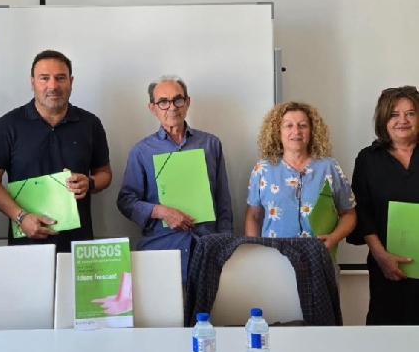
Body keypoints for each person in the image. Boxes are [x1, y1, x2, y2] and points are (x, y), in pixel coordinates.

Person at [0, 50, 112, 252]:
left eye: (60, 78)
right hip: (25, 245)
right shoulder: (9, 125)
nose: (53, 86)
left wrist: (90, 182)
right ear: (32, 82)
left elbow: (105, 174)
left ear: (71, 81)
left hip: (79, 245)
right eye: (44, 78)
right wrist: (20, 217)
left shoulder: (90, 124)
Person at [117, 75, 233, 283]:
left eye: (178, 100)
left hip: (206, 248)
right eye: (163, 102)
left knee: (206, 315)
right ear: (152, 108)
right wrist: (161, 211)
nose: (172, 107)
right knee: (164, 315)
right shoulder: (142, 151)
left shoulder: (210, 144)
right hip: (161, 248)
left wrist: (224, 244)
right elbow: (126, 201)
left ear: (187, 103)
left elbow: (222, 200)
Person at [245, 102, 356, 252]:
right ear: (278, 132)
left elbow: (349, 214)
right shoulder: (263, 169)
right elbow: (253, 216)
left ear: (312, 131)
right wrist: (255, 250)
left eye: (302, 125)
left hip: (318, 256)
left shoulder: (329, 167)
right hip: (273, 258)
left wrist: (333, 238)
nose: (296, 131)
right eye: (288, 125)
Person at [349, 86, 419, 325]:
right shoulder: (368, 159)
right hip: (386, 264)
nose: (402, 120)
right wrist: (381, 256)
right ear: (383, 119)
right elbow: (363, 211)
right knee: (387, 333)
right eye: (394, 114)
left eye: (410, 113)